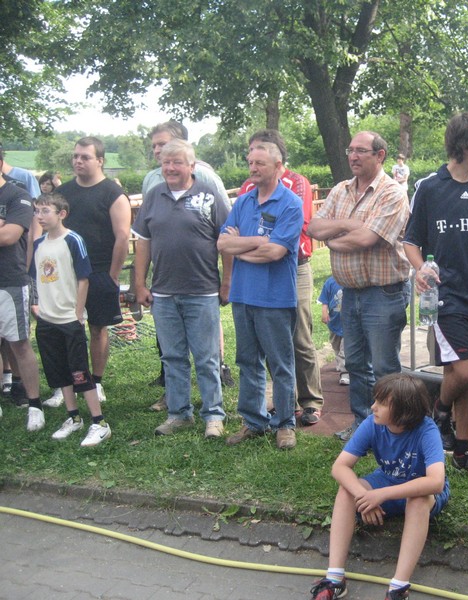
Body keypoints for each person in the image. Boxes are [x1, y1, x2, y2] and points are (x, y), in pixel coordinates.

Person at [403, 112, 468, 481]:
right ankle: (440, 410)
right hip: (446, 297)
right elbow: (411, 242)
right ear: (467, 145)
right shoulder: (430, 187)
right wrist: (421, 269)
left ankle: (462, 452)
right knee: (465, 369)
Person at [307, 131, 410, 443]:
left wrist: (332, 239)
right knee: (354, 363)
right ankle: (363, 425)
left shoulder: (393, 193)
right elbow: (314, 227)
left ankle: (393, 429)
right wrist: (346, 225)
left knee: (384, 366)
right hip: (349, 293)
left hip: (384, 293)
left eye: (361, 151)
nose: (353, 156)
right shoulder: (340, 190)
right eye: (350, 150)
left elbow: (367, 239)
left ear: (380, 156)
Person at [309, 373, 449, 600]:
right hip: (386, 480)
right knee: (346, 490)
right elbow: (339, 467)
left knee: (418, 500)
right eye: (375, 400)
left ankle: (398, 588)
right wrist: (363, 496)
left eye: (382, 403)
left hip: (419, 491)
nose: (373, 406)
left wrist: (381, 495)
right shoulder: (372, 424)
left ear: (404, 410)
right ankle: (335, 579)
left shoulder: (427, 430)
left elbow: (435, 482)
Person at [133, 140, 231, 439]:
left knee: (206, 357)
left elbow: (227, 241)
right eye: (166, 162)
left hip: (202, 291)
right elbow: (143, 242)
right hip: (163, 293)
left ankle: (213, 415)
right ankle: (179, 414)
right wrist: (140, 283)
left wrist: (227, 281)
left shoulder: (209, 194)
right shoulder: (153, 196)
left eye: (177, 162)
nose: (170, 167)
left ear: (191, 165)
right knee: (172, 357)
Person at [218, 142, 303, 450]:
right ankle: (254, 421)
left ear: (278, 167)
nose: (252, 168)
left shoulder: (290, 203)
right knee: (248, 361)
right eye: (250, 162)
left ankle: (285, 423)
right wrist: (258, 242)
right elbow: (223, 244)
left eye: (260, 163)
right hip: (243, 295)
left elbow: (275, 252)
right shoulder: (243, 202)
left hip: (275, 298)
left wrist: (243, 246)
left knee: (280, 364)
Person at [240, 130, 324, 426]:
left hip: (295, 265)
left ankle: (310, 400)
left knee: (299, 335)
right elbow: (236, 229)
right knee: (269, 338)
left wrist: (248, 243)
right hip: (258, 269)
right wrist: (258, 243)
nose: (253, 160)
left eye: (260, 151)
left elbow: (293, 225)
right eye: (251, 152)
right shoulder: (247, 187)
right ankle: (285, 401)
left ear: (277, 155)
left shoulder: (297, 183)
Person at [30, 192, 111, 446]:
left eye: (45, 211)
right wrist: (38, 306)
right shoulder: (38, 244)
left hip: (69, 319)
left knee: (79, 372)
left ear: (61, 214)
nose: (39, 216)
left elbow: (83, 279)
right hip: (47, 320)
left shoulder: (73, 240)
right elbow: (37, 278)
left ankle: (99, 423)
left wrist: (78, 313)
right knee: (59, 371)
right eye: (37, 211)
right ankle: (74, 417)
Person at [57, 136, 131, 403]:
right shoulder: (62, 193)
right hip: (67, 272)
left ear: (100, 160)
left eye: (85, 157)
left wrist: (113, 274)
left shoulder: (113, 193)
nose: (78, 161)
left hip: (100, 271)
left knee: (98, 328)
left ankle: (96, 382)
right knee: (65, 328)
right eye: (75, 156)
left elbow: (122, 237)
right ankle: (67, 383)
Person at [0, 145, 42, 429]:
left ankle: (34, 404)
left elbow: (10, 236)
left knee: (20, 344)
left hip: (9, 280)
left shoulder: (17, 195)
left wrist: (6, 227)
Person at [318, 275, 348, 386]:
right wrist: (324, 312)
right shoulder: (330, 282)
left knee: (344, 349)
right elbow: (324, 300)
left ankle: (345, 373)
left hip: (348, 323)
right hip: (334, 321)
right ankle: (340, 363)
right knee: (336, 346)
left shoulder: (349, 281)